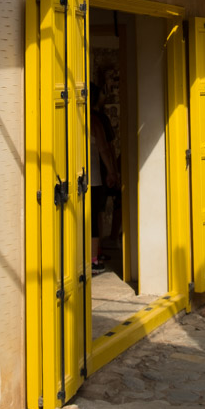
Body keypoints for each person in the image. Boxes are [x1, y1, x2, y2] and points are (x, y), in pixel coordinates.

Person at [90, 83, 119, 274]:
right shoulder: (95, 121)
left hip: (81, 177)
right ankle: (93, 257)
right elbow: (104, 148)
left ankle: (94, 253)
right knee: (94, 216)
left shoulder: (74, 117)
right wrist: (112, 171)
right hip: (94, 176)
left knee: (92, 216)